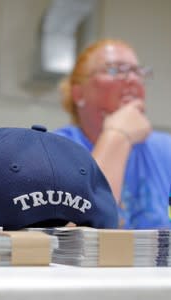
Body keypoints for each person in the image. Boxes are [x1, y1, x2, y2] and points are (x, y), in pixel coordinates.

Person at [55, 38, 171, 229]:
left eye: (137, 71)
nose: (133, 79)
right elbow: (71, 234)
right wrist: (118, 135)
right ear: (78, 94)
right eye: (114, 70)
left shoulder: (165, 150)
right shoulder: (54, 151)